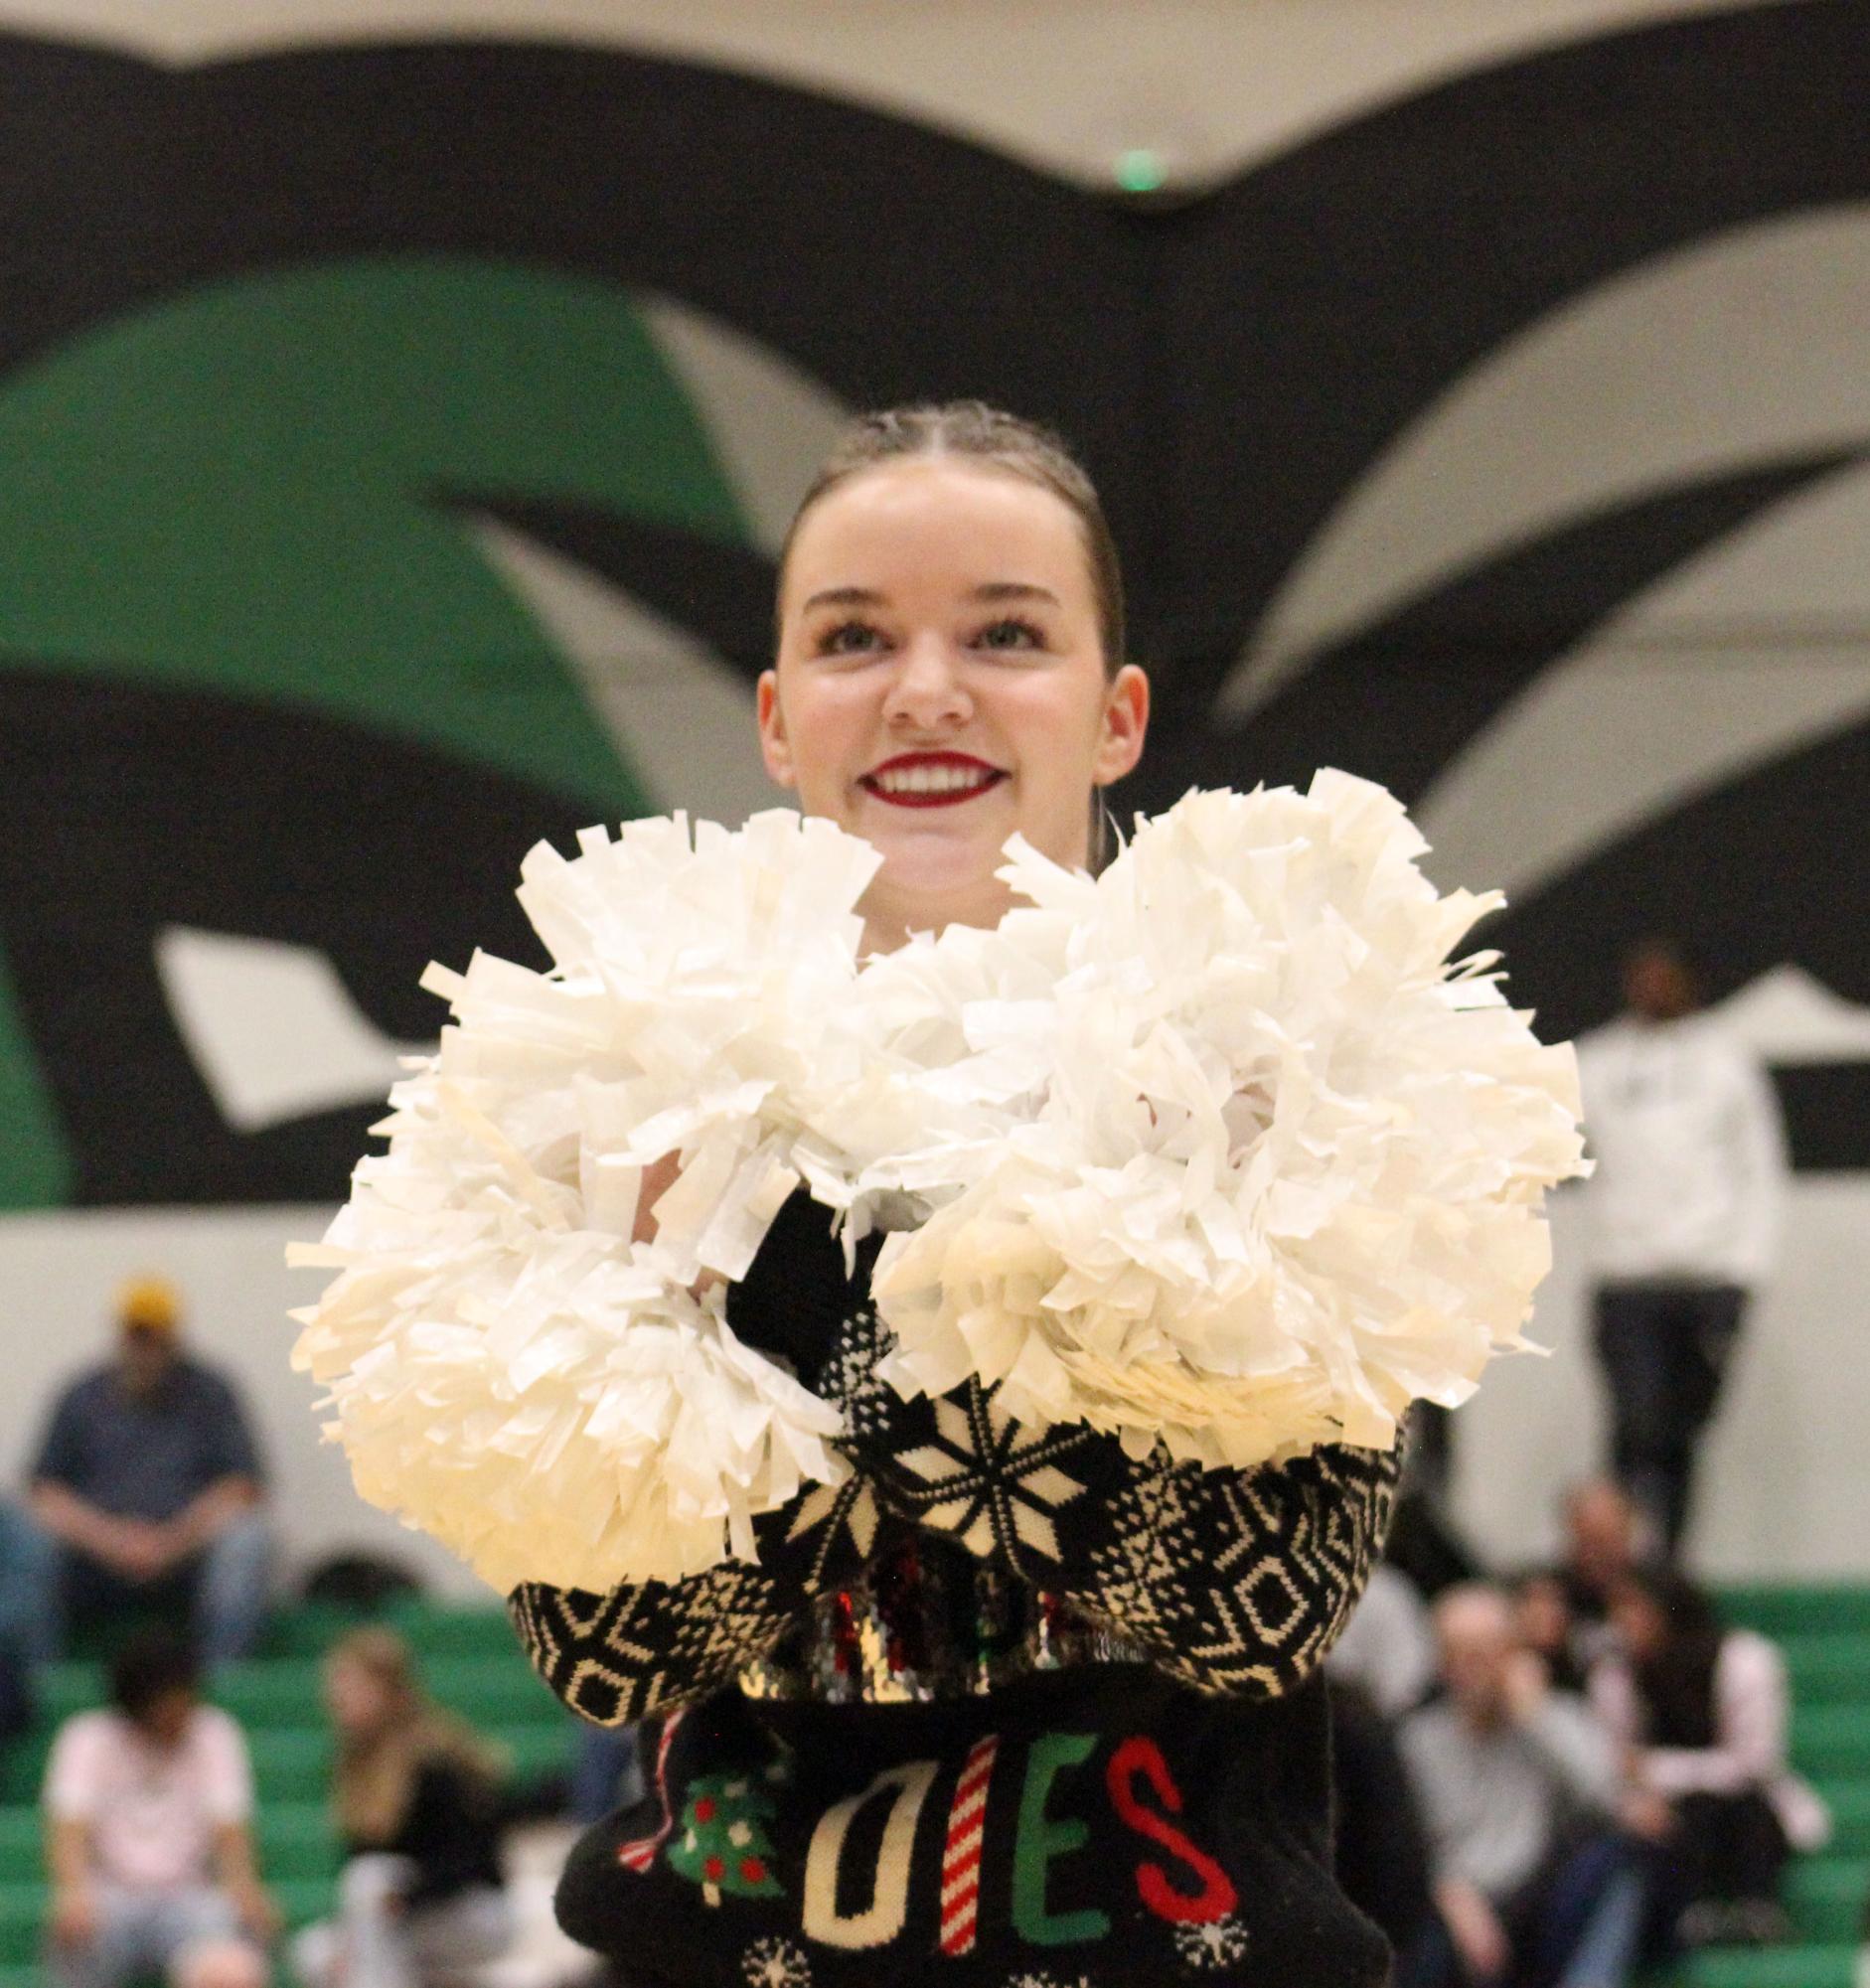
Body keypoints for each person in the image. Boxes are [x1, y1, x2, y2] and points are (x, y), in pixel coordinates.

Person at [507, 404, 1402, 1986]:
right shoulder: (604, 1075)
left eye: (1005, 631)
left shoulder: (1284, 1063)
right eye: (856, 637)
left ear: (1115, 713)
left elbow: (1257, 1610)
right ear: (777, 720)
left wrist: (780, 1293)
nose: (927, 688)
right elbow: (614, 1647)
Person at [1575, 937, 1790, 1552]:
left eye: (1665, 978)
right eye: (1641, 977)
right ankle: (1624, 1563)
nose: (1652, 990)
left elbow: (1760, 1171)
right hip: (1625, 1279)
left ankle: (1667, 1561)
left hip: (1706, 1279)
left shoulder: (1727, 1061)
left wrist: (1745, 1273)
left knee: (1680, 1434)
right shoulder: (1598, 1061)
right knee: (1633, 1429)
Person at [1400, 1585, 1644, 1988]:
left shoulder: (1553, 1718)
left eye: (1487, 1651)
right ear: (1441, 1662)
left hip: (1536, 1899)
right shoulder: (1419, 1740)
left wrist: (1535, 1716)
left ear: (1514, 1654)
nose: (1474, 1667)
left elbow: (1606, 1798)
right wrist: (1454, 1897)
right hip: (1453, 1900)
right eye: (1461, 1653)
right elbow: (1410, 1843)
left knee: (1619, 1856)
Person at [24, 1277, 270, 1666]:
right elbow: (44, 1492)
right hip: (93, 1560)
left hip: (187, 1559)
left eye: (154, 1336)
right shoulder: (80, 1395)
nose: (145, 1348)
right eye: (136, 1335)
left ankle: (224, 1677)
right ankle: (40, 1675)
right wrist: (113, 1541)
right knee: (29, 1539)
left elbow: (242, 1487)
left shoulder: (211, 1394)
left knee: (247, 1539)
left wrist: (170, 1542)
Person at [1590, 1565, 1828, 1949]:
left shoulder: (1744, 1660)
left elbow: (1754, 1764)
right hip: (1665, 1819)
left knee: (1726, 1809)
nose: (1621, 1623)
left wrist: (1655, 1769)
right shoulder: (1615, 1674)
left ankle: (1753, 1903)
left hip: (1746, 1811)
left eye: (1633, 1608)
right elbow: (1612, 1762)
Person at [43, 1628, 278, 1988]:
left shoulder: (215, 1733)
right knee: (74, 1931)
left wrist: (245, 1888)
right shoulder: (87, 1737)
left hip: (190, 1897)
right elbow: (69, 1827)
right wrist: (72, 1892)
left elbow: (229, 1826)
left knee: (232, 1961)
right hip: (111, 1899)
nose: (179, 1716)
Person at [290, 1626, 514, 1988]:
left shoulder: (434, 1760)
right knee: (315, 1951)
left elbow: (471, 1859)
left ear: (386, 1691)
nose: (335, 1698)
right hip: (403, 1918)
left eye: (349, 1686)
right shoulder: (353, 1764)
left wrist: (408, 1897)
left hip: (471, 1912)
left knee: (370, 1885)